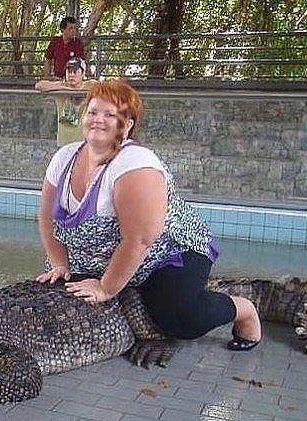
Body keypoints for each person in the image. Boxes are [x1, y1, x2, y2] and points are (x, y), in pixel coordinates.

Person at [36, 80, 261, 352]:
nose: (98, 119)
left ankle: (243, 311)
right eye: (93, 112)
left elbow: (139, 240)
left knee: (177, 318)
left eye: (110, 114)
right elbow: (46, 218)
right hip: (97, 254)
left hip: (166, 253)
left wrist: (106, 289)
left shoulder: (135, 164)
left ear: (127, 124)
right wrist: (59, 264)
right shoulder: (65, 157)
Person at [36, 57, 96, 146]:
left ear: (83, 74)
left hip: (83, 142)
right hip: (64, 142)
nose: (71, 75)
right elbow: (39, 85)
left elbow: (103, 86)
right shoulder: (61, 86)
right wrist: (67, 89)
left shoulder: (89, 85)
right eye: (69, 72)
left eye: (75, 72)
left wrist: (78, 91)